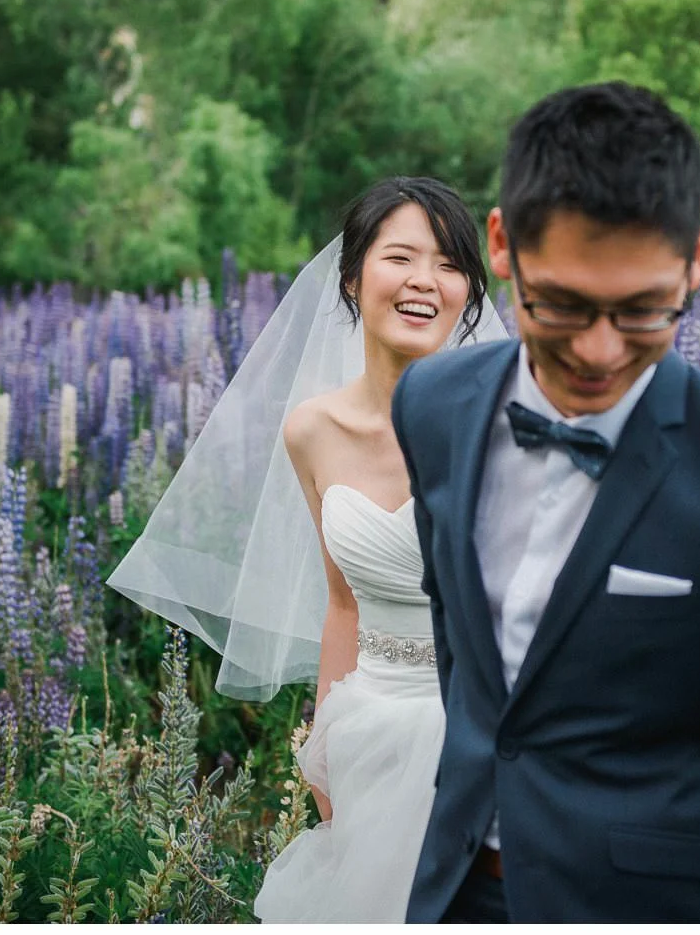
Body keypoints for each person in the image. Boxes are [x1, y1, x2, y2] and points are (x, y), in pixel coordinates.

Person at [391, 83, 700, 923]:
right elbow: (460, 638)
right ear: (500, 243)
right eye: (560, 304)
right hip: (455, 895)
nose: (598, 349)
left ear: (695, 258)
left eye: (642, 310)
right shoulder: (433, 404)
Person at [107, 176, 507, 922]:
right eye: (402, 258)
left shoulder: (504, 428)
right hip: (369, 740)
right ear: (353, 277)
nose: (427, 281)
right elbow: (344, 605)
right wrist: (326, 757)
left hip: (482, 745)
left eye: (451, 264)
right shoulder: (312, 431)